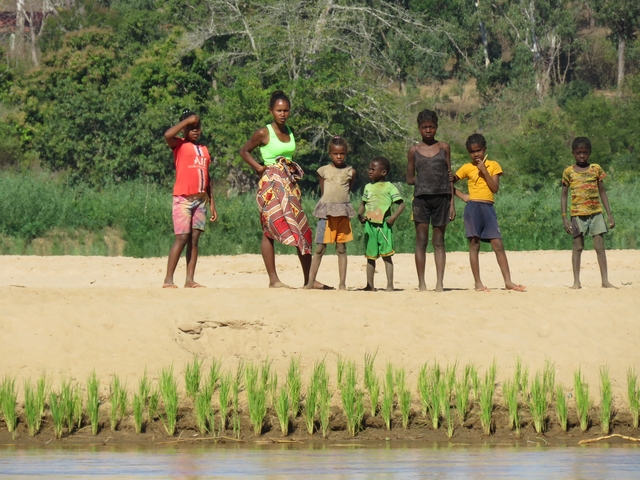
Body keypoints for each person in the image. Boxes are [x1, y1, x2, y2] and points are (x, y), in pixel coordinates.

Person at [239, 90, 326, 289]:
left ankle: (309, 279)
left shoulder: (290, 130)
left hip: (289, 183)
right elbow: (244, 151)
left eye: (286, 110)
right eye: (279, 110)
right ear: (271, 111)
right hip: (270, 185)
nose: (283, 113)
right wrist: (259, 168)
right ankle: (273, 280)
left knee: (302, 228)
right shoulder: (264, 132)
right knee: (269, 228)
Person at [452, 133, 525, 292]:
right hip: (473, 208)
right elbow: (449, 182)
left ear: (484, 149)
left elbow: (495, 188)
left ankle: (508, 281)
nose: (476, 154)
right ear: (468, 152)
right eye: (472, 152)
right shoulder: (466, 167)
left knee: (498, 244)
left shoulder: (493, 165)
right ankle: (478, 283)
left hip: (488, 208)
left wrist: (484, 171)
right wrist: (461, 195)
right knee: (474, 244)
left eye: (478, 150)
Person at [163, 109, 217, 288]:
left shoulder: (204, 149)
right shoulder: (178, 145)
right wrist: (186, 121)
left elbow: (207, 177)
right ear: (184, 128)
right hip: (183, 199)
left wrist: (212, 203)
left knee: (194, 239)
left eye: (197, 127)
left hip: (201, 200)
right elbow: (167, 134)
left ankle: (189, 279)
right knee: (182, 238)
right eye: (190, 127)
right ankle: (168, 279)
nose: (195, 130)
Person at [406, 109, 455, 292]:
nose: (428, 130)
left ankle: (440, 283)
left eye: (432, 127)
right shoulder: (414, 151)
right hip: (421, 199)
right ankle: (421, 283)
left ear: (436, 127)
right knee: (421, 240)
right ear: (419, 128)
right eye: (425, 127)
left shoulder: (444, 148)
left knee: (439, 241)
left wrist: (452, 203)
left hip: (442, 198)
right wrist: (425, 180)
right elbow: (409, 178)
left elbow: (449, 177)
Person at [561, 137, 616, 289]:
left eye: (585, 153)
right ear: (573, 153)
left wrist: (609, 214)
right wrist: (564, 217)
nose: (582, 156)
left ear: (590, 153)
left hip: (596, 213)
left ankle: (605, 280)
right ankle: (576, 281)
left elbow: (602, 191)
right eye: (579, 153)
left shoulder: (596, 169)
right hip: (577, 215)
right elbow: (564, 195)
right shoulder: (568, 172)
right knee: (577, 247)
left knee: (599, 246)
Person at [304, 136, 357, 290]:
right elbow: (323, 192)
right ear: (330, 153)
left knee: (341, 249)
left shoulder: (350, 171)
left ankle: (342, 283)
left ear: (346, 153)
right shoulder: (323, 171)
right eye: (335, 154)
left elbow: (348, 189)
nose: (339, 156)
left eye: (342, 154)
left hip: (342, 214)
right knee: (320, 248)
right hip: (325, 215)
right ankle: (310, 282)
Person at [357, 157, 405, 291]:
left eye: (373, 169)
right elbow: (363, 204)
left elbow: (402, 205)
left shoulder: (389, 187)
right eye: (369, 168)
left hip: (384, 226)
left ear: (383, 172)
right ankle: (370, 285)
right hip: (370, 226)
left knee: (387, 256)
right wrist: (360, 215)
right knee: (370, 256)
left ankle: (390, 285)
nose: (370, 171)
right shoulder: (368, 187)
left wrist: (393, 218)